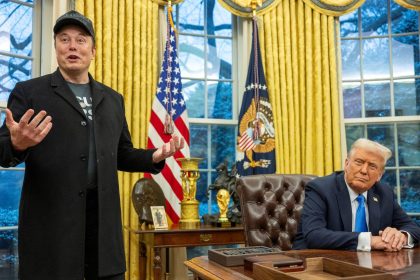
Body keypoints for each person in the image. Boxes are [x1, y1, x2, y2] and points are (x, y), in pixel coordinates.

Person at [0, 10, 184, 280]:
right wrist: (16, 144)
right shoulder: (29, 92)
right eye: (64, 39)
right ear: (56, 48)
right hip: (52, 229)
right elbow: (4, 150)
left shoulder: (113, 99)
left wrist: (153, 156)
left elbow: (121, 153)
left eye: (81, 40)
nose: (72, 46)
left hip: (103, 227)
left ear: (93, 50)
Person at [293, 138, 420, 252]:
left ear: (379, 175)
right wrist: (370, 241)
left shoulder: (384, 192)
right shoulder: (320, 188)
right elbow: (314, 235)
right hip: (315, 264)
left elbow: (413, 228)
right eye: (359, 162)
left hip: (370, 266)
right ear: (346, 164)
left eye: (372, 166)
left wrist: (400, 236)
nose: (364, 171)